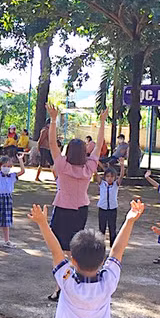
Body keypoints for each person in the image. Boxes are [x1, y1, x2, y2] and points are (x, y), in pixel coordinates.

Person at [44, 106, 104, 298]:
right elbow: (100, 143)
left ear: (68, 151)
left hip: (62, 209)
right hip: (80, 210)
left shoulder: (62, 165)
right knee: (73, 250)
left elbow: (52, 144)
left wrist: (53, 120)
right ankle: (71, 285)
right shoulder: (89, 167)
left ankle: (60, 286)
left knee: (58, 250)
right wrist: (102, 122)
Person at [0, 152, 25, 249]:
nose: (7, 168)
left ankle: (7, 240)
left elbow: (22, 171)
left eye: (9, 166)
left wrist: (20, 159)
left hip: (7, 198)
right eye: (4, 166)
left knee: (6, 221)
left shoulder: (12, 176)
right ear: (1, 166)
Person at [95, 166, 120, 246]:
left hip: (112, 209)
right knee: (101, 228)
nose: (110, 178)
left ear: (115, 177)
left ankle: (113, 247)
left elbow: (122, 176)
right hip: (102, 209)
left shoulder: (115, 185)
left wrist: (122, 166)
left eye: (112, 177)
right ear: (105, 177)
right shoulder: (102, 184)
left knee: (112, 229)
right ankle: (100, 246)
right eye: (108, 176)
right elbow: (95, 174)